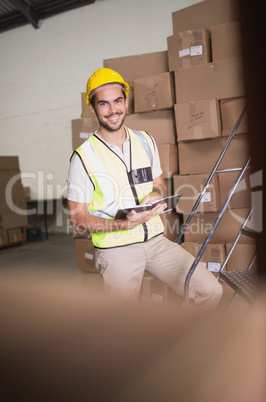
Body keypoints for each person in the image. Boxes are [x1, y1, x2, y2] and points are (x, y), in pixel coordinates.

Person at [67, 67, 223, 309]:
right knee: (124, 325)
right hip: (116, 249)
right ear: (93, 108)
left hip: (156, 242)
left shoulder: (145, 141)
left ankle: (182, 342)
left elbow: (159, 184)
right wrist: (122, 224)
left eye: (117, 101)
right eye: (104, 104)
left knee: (209, 290)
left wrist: (156, 196)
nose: (113, 110)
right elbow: (78, 220)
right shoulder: (83, 158)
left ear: (126, 102)